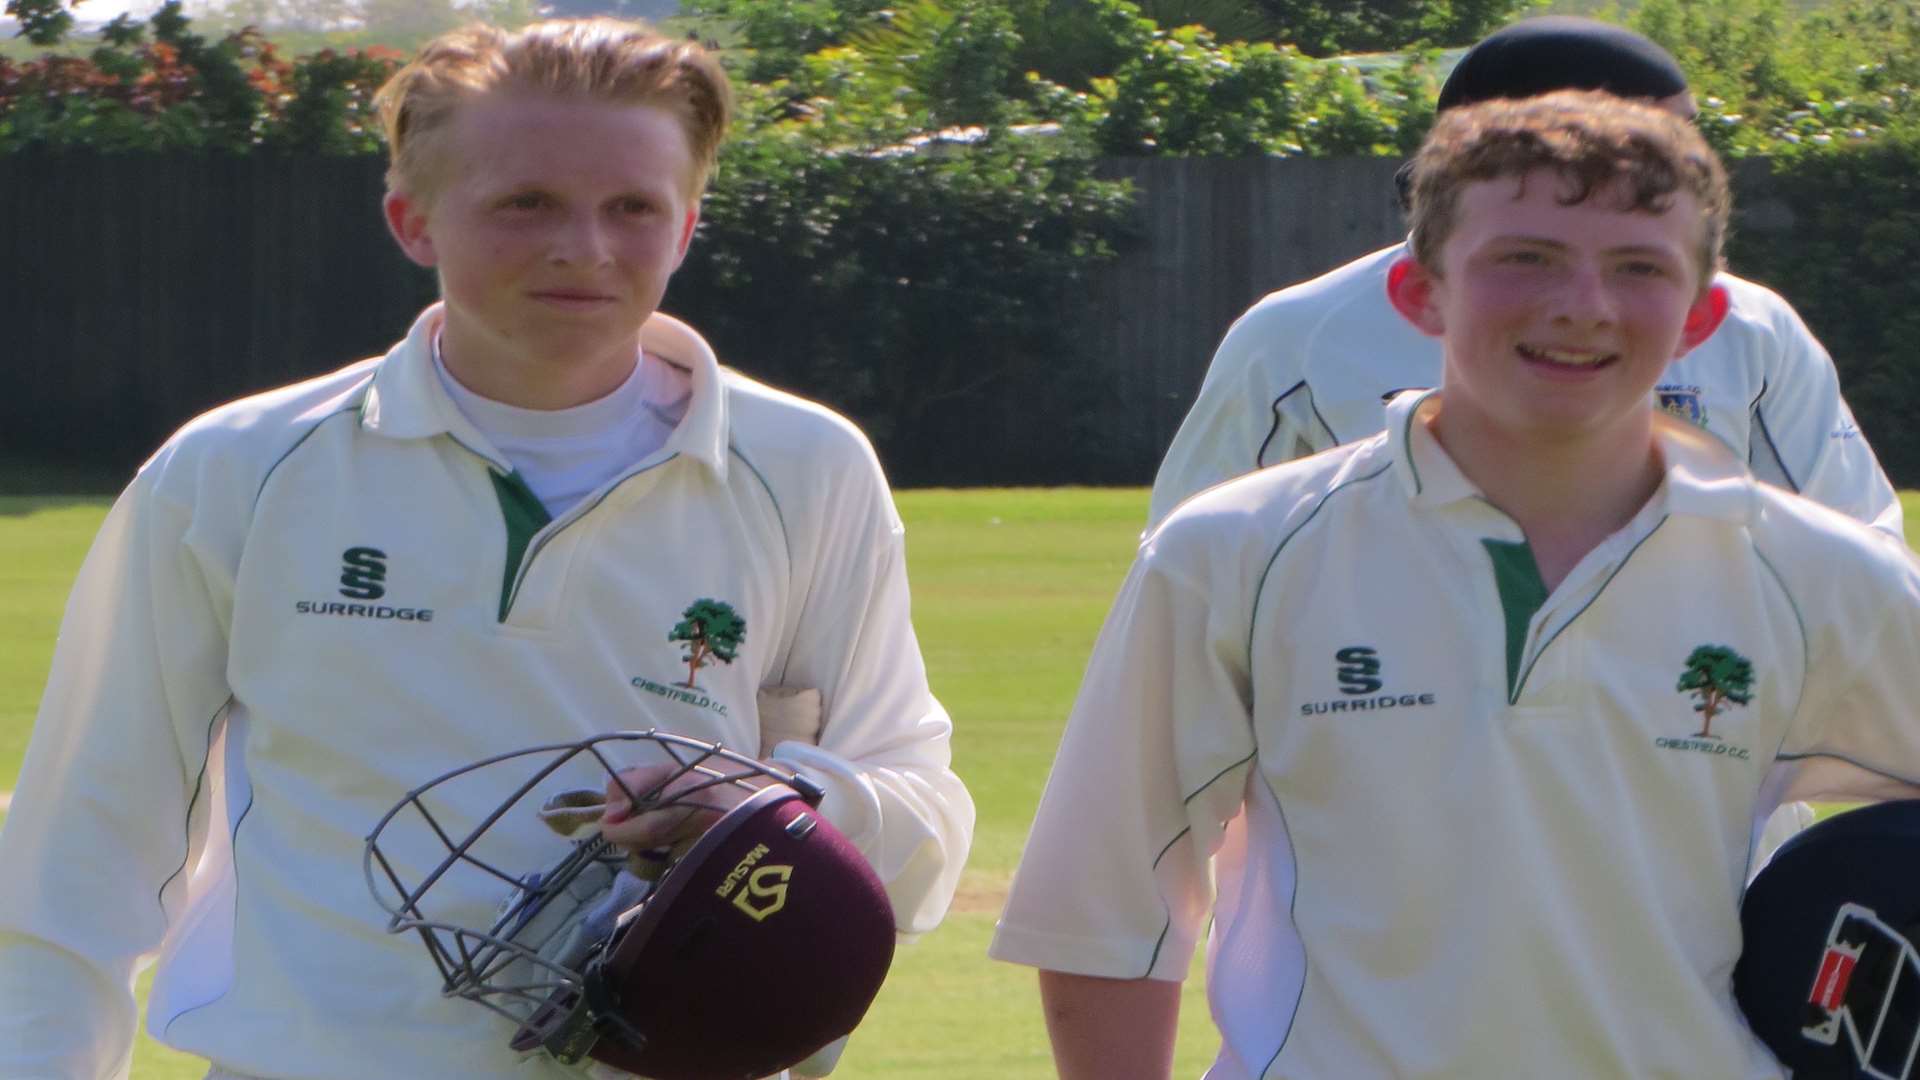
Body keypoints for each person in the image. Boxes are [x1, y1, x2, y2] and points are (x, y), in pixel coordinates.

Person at [0, 18, 972, 1080]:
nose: (584, 248)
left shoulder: (806, 468)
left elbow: (918, 822)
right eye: (527, 203)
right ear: (411, 220)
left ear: (687, 225)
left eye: (633, 208)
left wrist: (779, 821)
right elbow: (81, 847)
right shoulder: (236, 469)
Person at [992, 90, 1920, 1078]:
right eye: (1525, 258)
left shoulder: (1809, 574)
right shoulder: (1240, 554)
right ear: (1416, 291)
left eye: (1638, 268)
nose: (1581, 304)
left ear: (1702, 315)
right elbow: (1105, 917)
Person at [1147, 13, 1901, 871]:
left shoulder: (1749, 328)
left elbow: (1861, 567)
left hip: (1697, 835)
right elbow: (1188, 601)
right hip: (1386, 854)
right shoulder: (1302, 335)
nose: (1676, 162)